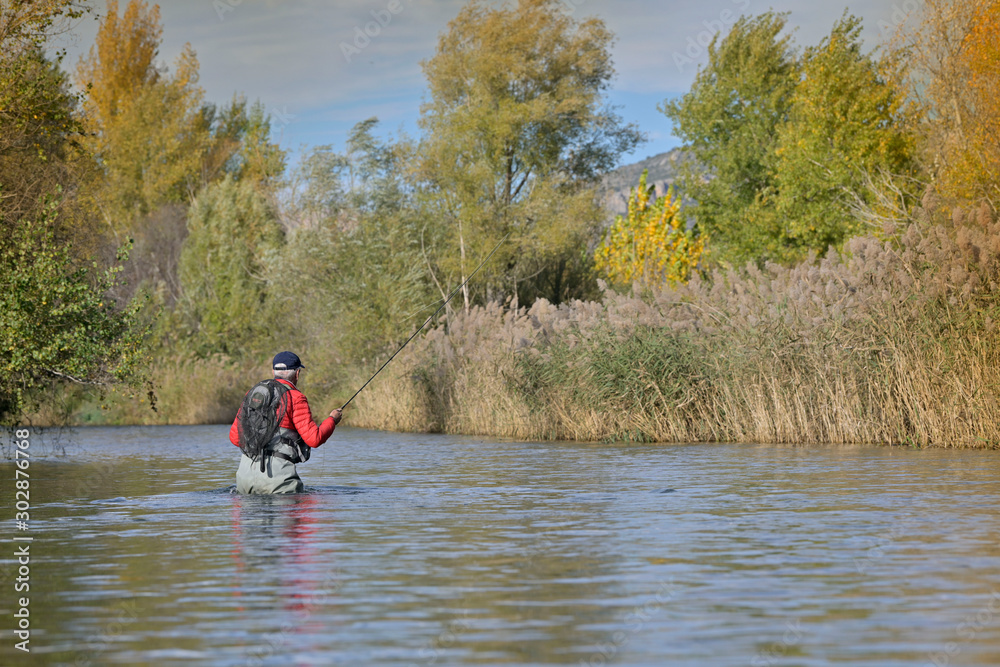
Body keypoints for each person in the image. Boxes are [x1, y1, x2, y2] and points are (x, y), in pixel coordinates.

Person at [229, 351, 343, 494]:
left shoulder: (252, 394)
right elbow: (314, 439)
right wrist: (332, 419)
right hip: (278, 479)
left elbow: (235, 438)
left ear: (273, 371)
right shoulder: (296, 397)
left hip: (244, 478)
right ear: (297, 373)